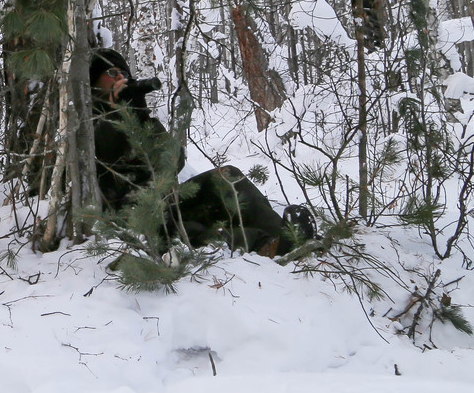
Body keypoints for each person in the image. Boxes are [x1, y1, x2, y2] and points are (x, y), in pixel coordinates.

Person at [90, 49, 314, 256]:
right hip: (136, 221)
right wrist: (116, 116)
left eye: (124, 73)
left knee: (228, 177)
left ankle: (288, 236)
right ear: (94, 82)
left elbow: (172, 162)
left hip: (169, 204)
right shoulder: (86, 123)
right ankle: (266, 245)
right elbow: (105, 156)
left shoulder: (137, 117)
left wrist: (140, 117)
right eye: (111, 72)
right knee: (193, 232)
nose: (120, 78)